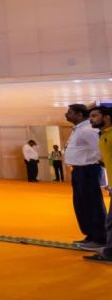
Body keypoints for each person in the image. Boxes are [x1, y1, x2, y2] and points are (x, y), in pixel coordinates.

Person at [64, 103, 106, 250]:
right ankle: (91, 235)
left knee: (92, 204)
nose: (66, 114)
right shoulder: (78, 129)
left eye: (70, 112)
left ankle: (100, 237)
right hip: (79, 171)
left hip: (87, 170)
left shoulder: (87, 130)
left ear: (79, 114)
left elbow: (99, 150)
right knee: (82, 205)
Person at [85, 106, 112, 262]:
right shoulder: (103, 135)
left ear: (107, 117)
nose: (91, 119)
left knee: (111, 221)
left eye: (95, 116)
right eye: (90, 116)